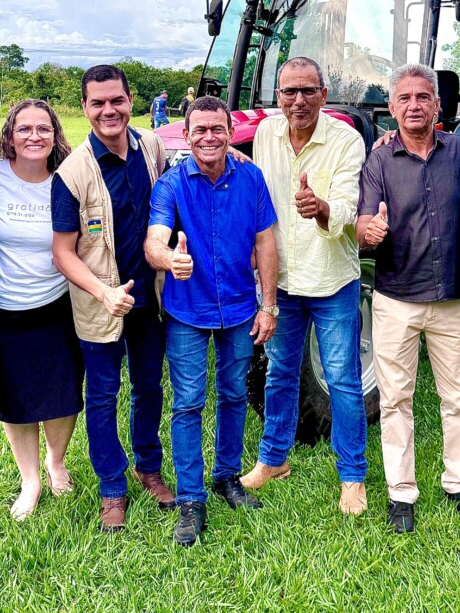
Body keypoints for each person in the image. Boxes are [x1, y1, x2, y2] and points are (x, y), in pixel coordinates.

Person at [144, 96, 279, 546]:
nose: (208, 137)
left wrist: (269, 305)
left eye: (216, 129)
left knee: (234, 393)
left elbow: (265, 243)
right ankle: (190, 498)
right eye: (199, 129)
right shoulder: (170, 185)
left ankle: (226, 477)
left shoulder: (252, 177)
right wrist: (169, 260)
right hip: (188, 310)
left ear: (229, 131)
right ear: (186, 134)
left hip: (241, 307)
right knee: (187, 403)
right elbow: (154, 242)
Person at [357, 64, 460, 535]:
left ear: (438, 105)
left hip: (453, 297)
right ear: (391, 109)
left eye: (423, 97)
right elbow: (362, 222)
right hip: (397, 298)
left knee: (458, 399)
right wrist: (366, 230)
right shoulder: (379, 161)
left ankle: (459, 484)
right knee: (395, 400)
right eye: (404, 98)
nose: (414, 105)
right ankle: (401, 493)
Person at [241, 56, 369, 516]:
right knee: (279, 371)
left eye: (308, 91)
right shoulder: (264, 134)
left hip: (331, 277)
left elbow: (349, 207)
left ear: (324, 95)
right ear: (277, 96)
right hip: (283, 281)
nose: (298, 101)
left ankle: (352, 475)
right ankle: (273, 460)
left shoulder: (346, 140)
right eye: (289, 92)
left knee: (342, 378)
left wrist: (319, 208)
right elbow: (259, 199)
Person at [51, 64, 174, 532]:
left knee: (149, 388)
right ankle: (111, 488)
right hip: (100, 304)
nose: (109, 110)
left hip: (150, 300)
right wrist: (103, 292)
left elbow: (177, 188)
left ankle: (148, 467)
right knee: (103, 396)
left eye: (117, 100)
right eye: (97, 103)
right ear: (84, 108)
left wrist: (237, 158)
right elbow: (63, 252)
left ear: (130, 100)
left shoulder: (153, 147)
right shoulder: (72, 173)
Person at [0, 99, 84, 523]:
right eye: (25, 129)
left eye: (44, 129)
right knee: (13, 401)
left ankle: (57, 463)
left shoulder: (66, 181)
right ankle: (30, 479)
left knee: (61, 397)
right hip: (1, 310)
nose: (34, 136)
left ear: (56, 135)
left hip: (55, 306)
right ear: (9, 135)